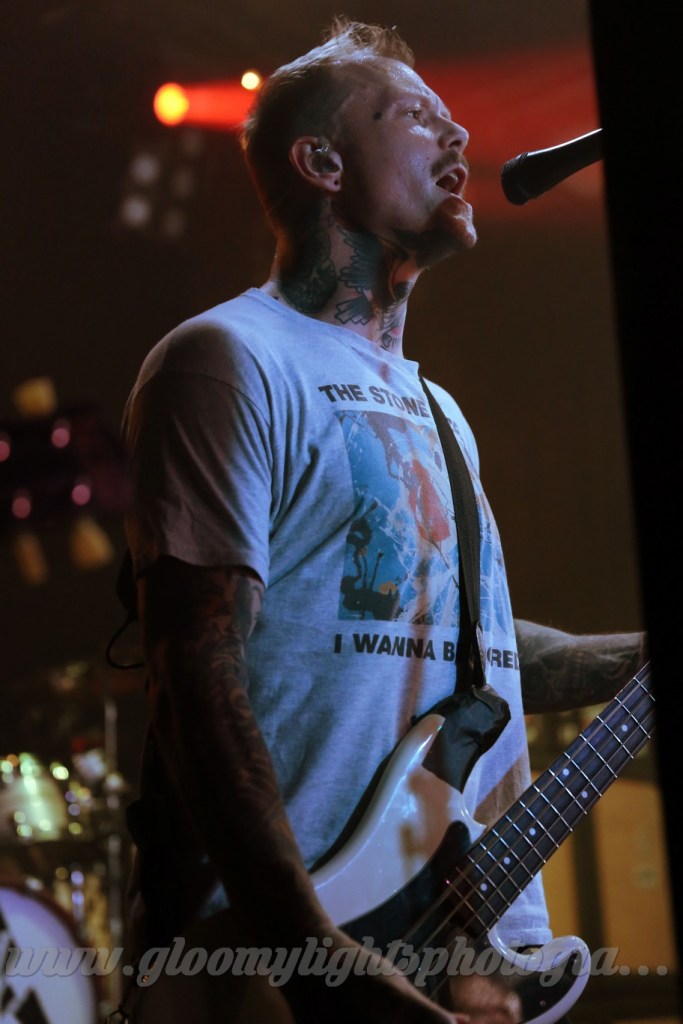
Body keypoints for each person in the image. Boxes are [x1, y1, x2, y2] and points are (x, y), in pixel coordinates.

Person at [116, 17, 646, 1024]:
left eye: (454, 120)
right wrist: (312, 951)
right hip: (274, 965)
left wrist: (628, 659)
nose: (459, 136)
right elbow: (196, 683)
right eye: (412, 116)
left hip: (467, 955)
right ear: (320, 163)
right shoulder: (227, 358)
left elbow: (462, 646)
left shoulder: (439, 411)